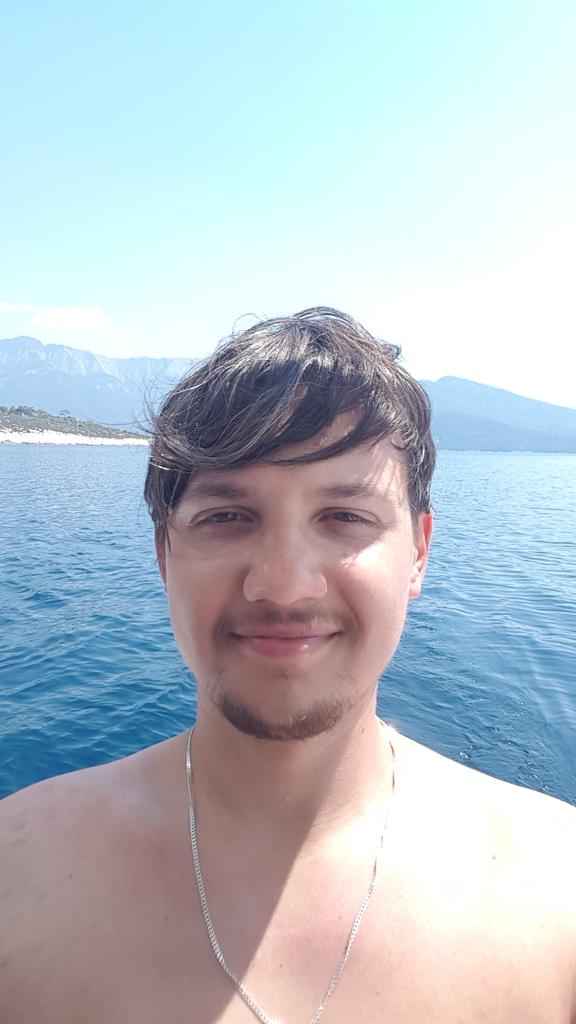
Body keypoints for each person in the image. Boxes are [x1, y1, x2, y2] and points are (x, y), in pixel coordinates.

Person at [1, 307, 575, 1024]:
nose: (283, 585)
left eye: (345, 517)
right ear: (163, 555)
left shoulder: (557, 893)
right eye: (226, 517)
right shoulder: (18, 875)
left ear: (419, 552)